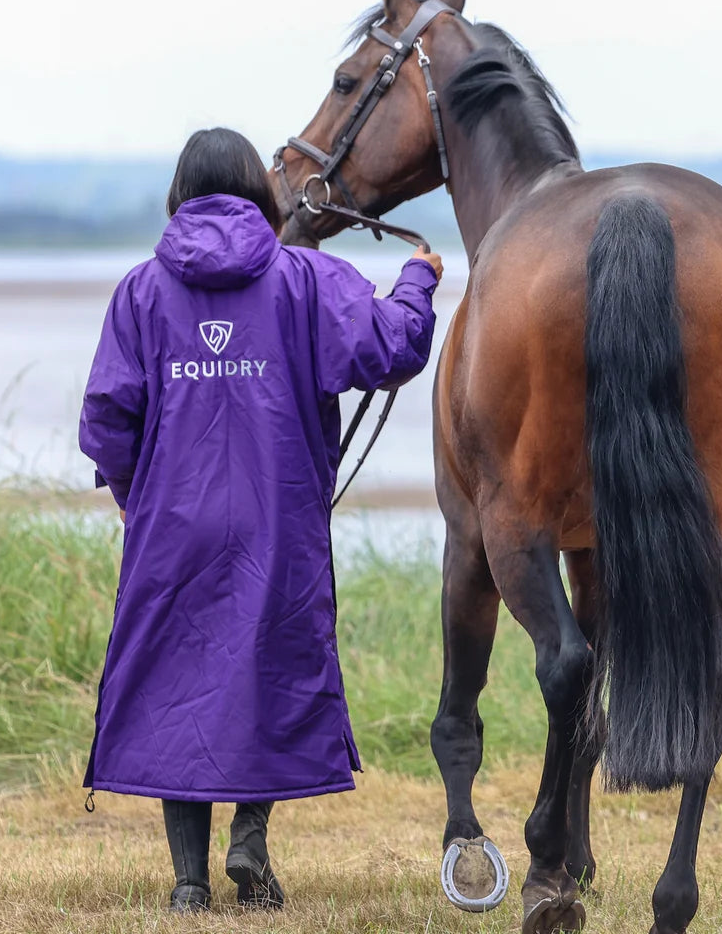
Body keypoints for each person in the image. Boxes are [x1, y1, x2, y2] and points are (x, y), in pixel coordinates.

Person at [78, 127, 442, 913]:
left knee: (178, 682)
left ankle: (188, 880)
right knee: (268, 673)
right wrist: (418, 279)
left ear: (179, 193)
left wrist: (134, 495)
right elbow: (392, 346)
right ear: (261, 191)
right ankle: (249, 839)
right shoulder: (306, 280)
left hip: (170, 529)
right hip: (279, 527)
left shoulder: (141, 292)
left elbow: (107, 418)